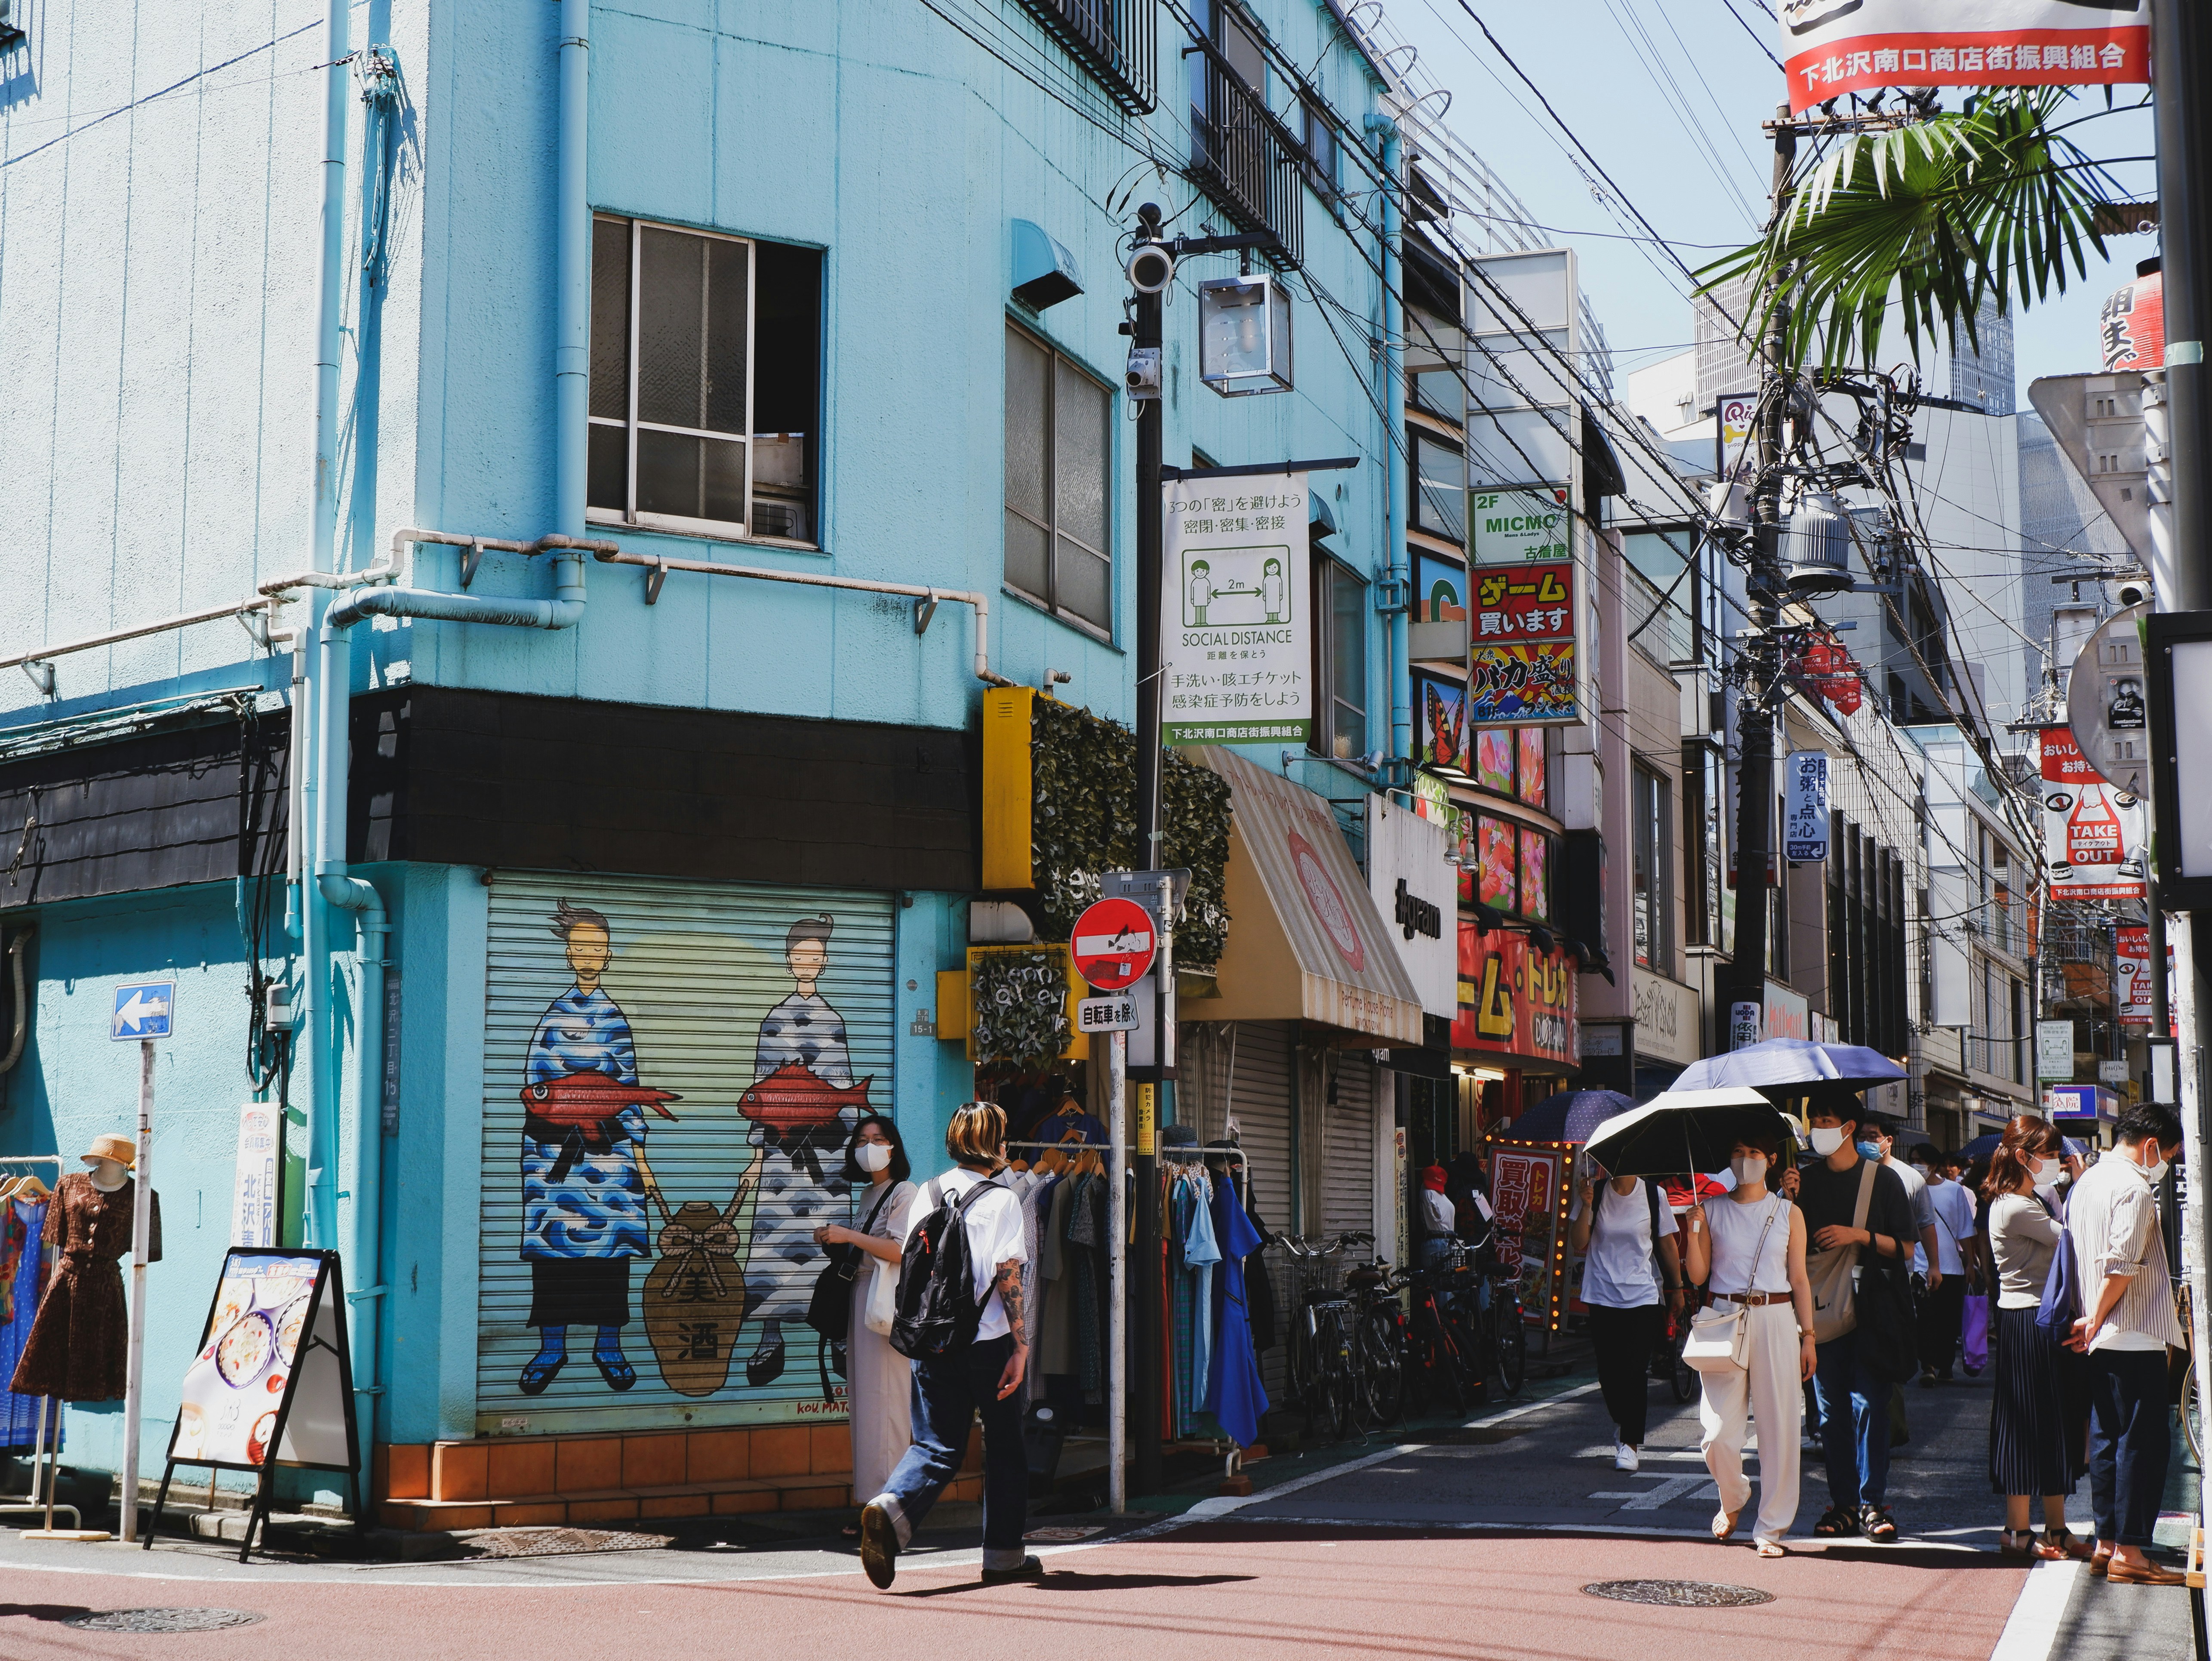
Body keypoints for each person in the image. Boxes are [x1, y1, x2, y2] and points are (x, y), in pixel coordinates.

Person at [860, 1102, 1037, 1590]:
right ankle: (1003, 1555)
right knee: (1004, 1449)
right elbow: (1009, 1275)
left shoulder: (929, 1192)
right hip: (988, 1344)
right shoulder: (1002, 1200)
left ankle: (890, 1505)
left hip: (932, 1338)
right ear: (995, 1143)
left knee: (937, 1445)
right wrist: (1020, 1346)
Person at [2065, 1103, 2188, 1585]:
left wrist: (2089, 1322)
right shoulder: (2136, 1189)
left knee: (2107, 1437)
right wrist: (2096, 1318)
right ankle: (2131, 1552)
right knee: (2142, 1442)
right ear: (2151, 1145)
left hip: (2099, 1334)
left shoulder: (2086, 1183)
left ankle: (2107, 1542)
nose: (2166, 1166)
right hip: (2132, 1327)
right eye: (2169, 1155)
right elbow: (2121, 1265)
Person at [1680, 1128, 1814, 1557]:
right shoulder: (1711, 1209)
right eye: (1737, 1152)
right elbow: (1697, 1276)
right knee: (1717, 1433)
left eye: (1754, 1152)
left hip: (1776, 1317)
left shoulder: (1787, 1212)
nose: (1745, 1159)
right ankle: (1733, 1495)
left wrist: (1808, 1336)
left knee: (1780, 1427)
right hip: (1722, 1317)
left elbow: (1798, 1279)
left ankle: (1771, 1529)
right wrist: (1692, 1229)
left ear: (1770, 1160)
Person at [1795, 1096, 1919, 1542]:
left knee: (1869, 1406)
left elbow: (1906, 1249)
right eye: (1814, 1122)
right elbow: (1790, 1250)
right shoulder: (1803, 1183)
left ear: (1848, 1127)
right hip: (1821, 1313)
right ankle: (1843, 1503)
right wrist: (1786, 1198)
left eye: (1824, 1121)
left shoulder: (1883, 1181)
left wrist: (1858, 1235)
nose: (1817, 1130)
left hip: (1872, 1313)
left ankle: (1871, 1503)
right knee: (1829, 1416)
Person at [1983, 1115, 2091, 1560]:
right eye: (2047, 1155)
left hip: (2039, 1320)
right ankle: (2018, 1531)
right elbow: (2074, 1240)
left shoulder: (2029, 1199)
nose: (2055, 1164)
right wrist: (2082, 1185)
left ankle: (2056, 1529)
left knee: (2053, 1422)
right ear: (2023, 1157)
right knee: (2026, 1425)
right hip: (2028, 1321)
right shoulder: (2016, 1206)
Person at [812, 1116, 916, 1535]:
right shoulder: (870, 1193)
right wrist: (837, 1241)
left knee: (887, 1407)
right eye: (862, 1140)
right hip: (864, 1301)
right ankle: (875, 1507)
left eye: (878, 1139)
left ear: (893, 1147)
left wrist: (848, 1237)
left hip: (883, 1307)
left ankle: (891, 1511)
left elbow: (897, 1250)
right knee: (869, 1409)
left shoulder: (904, 1192)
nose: (869, 1146)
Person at [1569, 1159, 1684, 1472]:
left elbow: (1667, 1245)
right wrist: (1586, 1204)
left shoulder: (1652, 1194)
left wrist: (1677, 1288)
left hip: (1642, 1295)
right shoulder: (1594, 1192)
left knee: (1634, 1370)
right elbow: (1579, 1241)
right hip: (1601, 1294)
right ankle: (1623, 1422)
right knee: (1609, 1372)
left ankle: (1630, 1444)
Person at [1918, 1153, 1981, 1385]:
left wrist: (1970, 1263)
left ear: (1932, 1166)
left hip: (1952, 1267)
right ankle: (1928, 1366)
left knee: (1948, 1319)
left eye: (1920, 1160)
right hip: (1919, 1267)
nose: (1916, 1164)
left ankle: (1945, 1365)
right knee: (1925, 1318)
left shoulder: (1955, 1191)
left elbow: (1966, 1228)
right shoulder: (1909, 1188)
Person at [1418, 1165, 1460, 1270]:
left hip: (1448, 1242)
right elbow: (1437, 1217)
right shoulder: (1428, 1193)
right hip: (1437, 1242)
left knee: (1449, 1280)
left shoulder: (1440, 1196)